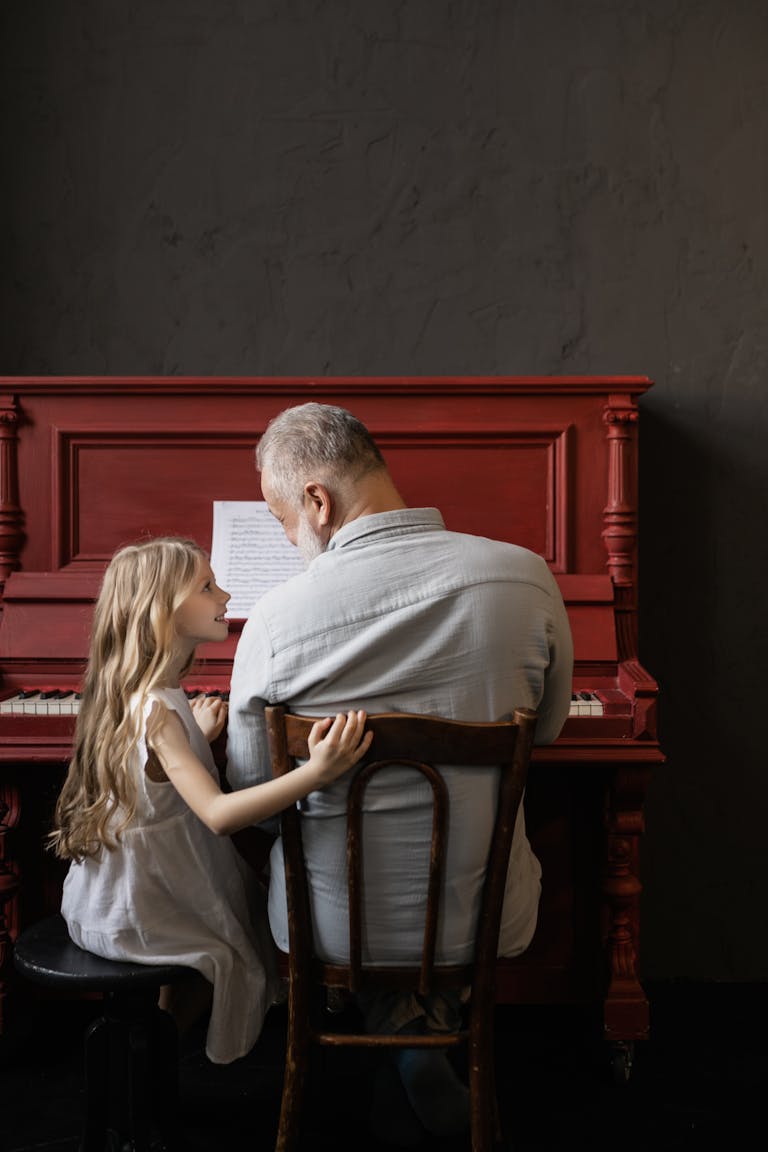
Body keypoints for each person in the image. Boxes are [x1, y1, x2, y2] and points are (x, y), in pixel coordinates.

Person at [226, 403, 574, 1139]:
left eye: (282, 519)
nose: (289, 540)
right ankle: (425, 1025)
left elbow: (253, 798)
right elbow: (541, 731)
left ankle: (389, 1022)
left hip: (329, 931)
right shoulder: (527, 576)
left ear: (318, 501)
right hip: (479, 924)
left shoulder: (279, 618)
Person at [49, 536, 372, 1066]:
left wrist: (192, 736)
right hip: (140, 910)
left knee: (238, 916)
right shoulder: (157, 713)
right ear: (162, 612)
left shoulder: (145, 696)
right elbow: (219, 816)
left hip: (114, 894)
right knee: (237, 950)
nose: (225, 596)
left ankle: (154, 1051)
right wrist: (319, 772)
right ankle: (149, 1060)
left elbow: (156, 774)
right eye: (207, 586)